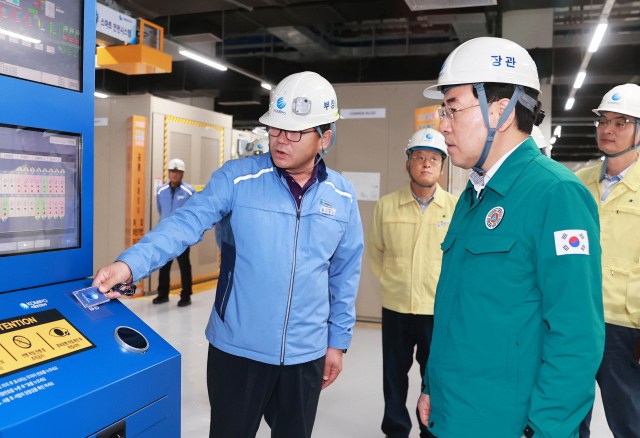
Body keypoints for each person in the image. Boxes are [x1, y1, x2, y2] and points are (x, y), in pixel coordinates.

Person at [92, 71, 364, 438]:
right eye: (274, 129)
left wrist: (337, 341)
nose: (280, 140)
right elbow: (185, 222)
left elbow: (344, 273)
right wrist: (130, 264)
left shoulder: (343, 197)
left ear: (324, 138)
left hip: (306, 355)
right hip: (238, 351)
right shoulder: (237, 179)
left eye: (295, 131)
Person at [416, 37, 605, 438]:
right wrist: (432, 385)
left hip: (505, 424)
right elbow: (456, 307)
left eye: (453, 109)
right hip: (449, 414)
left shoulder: (556, 194)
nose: (442, 125)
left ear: (500, 112)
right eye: (442, 110)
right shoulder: (474, 195)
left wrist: (546, 429)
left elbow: (576, 335)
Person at [368, 128, 457, 438]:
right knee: (393, 375)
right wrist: (395, 283)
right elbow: (376, 253)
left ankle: (429, 429)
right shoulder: (387, 206)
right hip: (397, 307)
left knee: (433, 376)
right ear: (408, 163)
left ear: (443, 166)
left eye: (434, 158)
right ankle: (395, 429)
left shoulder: (456, 209)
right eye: (419, 157)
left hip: (437, 309)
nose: (426, 164)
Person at [576, 84, 640, 438]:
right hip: (576, 319)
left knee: (629, 420)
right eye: (603, 120)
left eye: (621, 122)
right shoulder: (577, 183)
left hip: (625, 326)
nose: (608, 129)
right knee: (568, 416)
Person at [153, 158, 195, 307]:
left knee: (184, 266)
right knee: (164, 265)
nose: (174, 174)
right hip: (165, 235)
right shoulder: (161, 191)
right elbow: (160, 210)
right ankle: (162, 294)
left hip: (182, 236)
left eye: (177, 172)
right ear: (168, 173)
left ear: (182, 173)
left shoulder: (190, 192)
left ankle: (186, 296)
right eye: (172, 171)